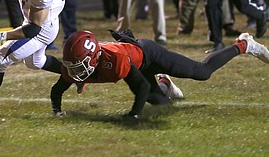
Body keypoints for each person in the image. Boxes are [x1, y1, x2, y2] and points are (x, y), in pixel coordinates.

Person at [49, 29, 269, 118]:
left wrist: (134, 114)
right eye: (73, 66)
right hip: (136, 65)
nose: (76, 71)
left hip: (149, 55)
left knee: (202, 72)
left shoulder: (115, 61)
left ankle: (244, 45)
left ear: (95, 57)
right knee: (164, 105)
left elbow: (141, 87)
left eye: (80, 65)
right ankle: (164, 82)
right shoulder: (75, 66)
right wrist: (57, 111)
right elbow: (57, 88)